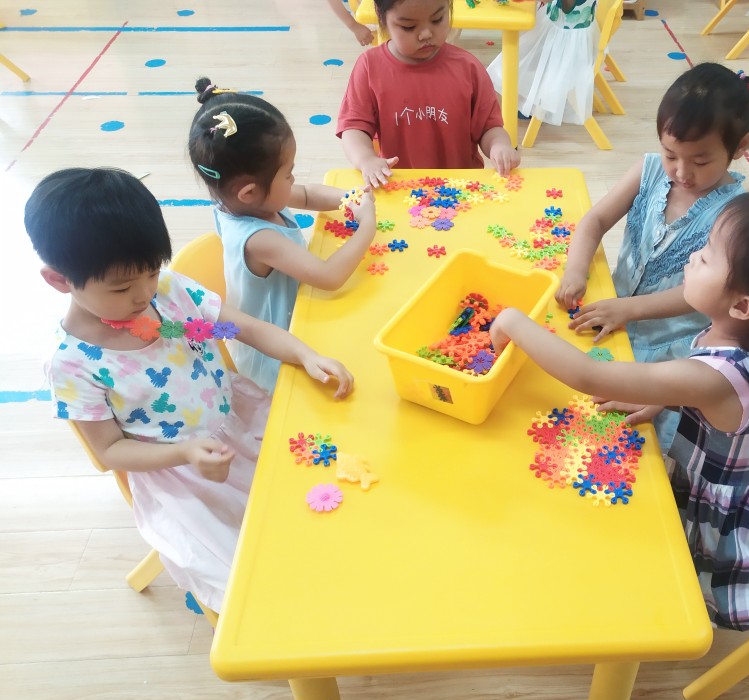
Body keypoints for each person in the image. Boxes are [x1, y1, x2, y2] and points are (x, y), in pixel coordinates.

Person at [491, 192, 749, 631]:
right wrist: (664, 395)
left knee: (683, 579)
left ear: (742, 305)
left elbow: (589, 376)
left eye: (706, 257)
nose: (692, 257)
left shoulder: (715, 376)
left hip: (733, 510)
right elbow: (715, 395)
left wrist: (513, 322)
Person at [26, 168, 355, 612]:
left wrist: (304, 354)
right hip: (183, 473)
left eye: (151, 272)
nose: (144, 294)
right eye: (122, 287)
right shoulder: (72, 364)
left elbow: (239, 328)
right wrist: (185, 452)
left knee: (327, 491)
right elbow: (110, 451)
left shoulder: (168, 293)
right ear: (59, 280)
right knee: (251, 577)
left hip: (240, 421)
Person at [554, 62, 749, 451]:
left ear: (741, 147)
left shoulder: (736, 215)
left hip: (674, 352)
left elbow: (705, 293)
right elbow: (595, 220)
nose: (682, 172)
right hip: (614, 319)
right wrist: (575, 270)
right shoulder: (650, 170)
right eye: (671, 154)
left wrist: (630, 309)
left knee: (646, 443)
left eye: (700, 161)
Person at [190, 78, 376, 393]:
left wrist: (350, 199)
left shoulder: (241, 200)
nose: (293, 179)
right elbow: (329, 276)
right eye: (288, 173)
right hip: (276, 360)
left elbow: (306, 194)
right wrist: (367, 225)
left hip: (297, 322)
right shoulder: (259, 239)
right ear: (250, 191)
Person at [336, 0, 521, 190]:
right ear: (383, 19)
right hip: (399, 187)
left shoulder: (468, 68)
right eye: (408, 26)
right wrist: (365, 159)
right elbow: (354, 127)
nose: (426, 34)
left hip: (460, 188)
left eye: (437, 19)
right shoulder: (370, 67)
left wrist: (499, 145)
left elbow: (488, 128)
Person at [485, 0, 599, 127]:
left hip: (564, 45)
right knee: (523, 40)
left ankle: (529, 102)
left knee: (512, 61)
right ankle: (528, 98)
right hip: (567, 30)